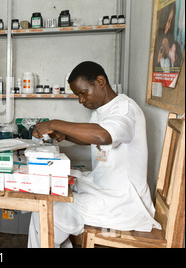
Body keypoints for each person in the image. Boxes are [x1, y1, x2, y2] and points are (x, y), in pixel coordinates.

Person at [28, 61, 161, 248]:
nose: (81, 100)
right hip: (103, 189)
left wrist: (54, 124)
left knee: (45, 213)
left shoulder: (125, 109)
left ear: (100, 81)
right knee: (51, 198)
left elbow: (103, 135)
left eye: (83, 93)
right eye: (77, 96)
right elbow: (95, 138)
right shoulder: (102, 110)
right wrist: (67, 135)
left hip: (123, 202)